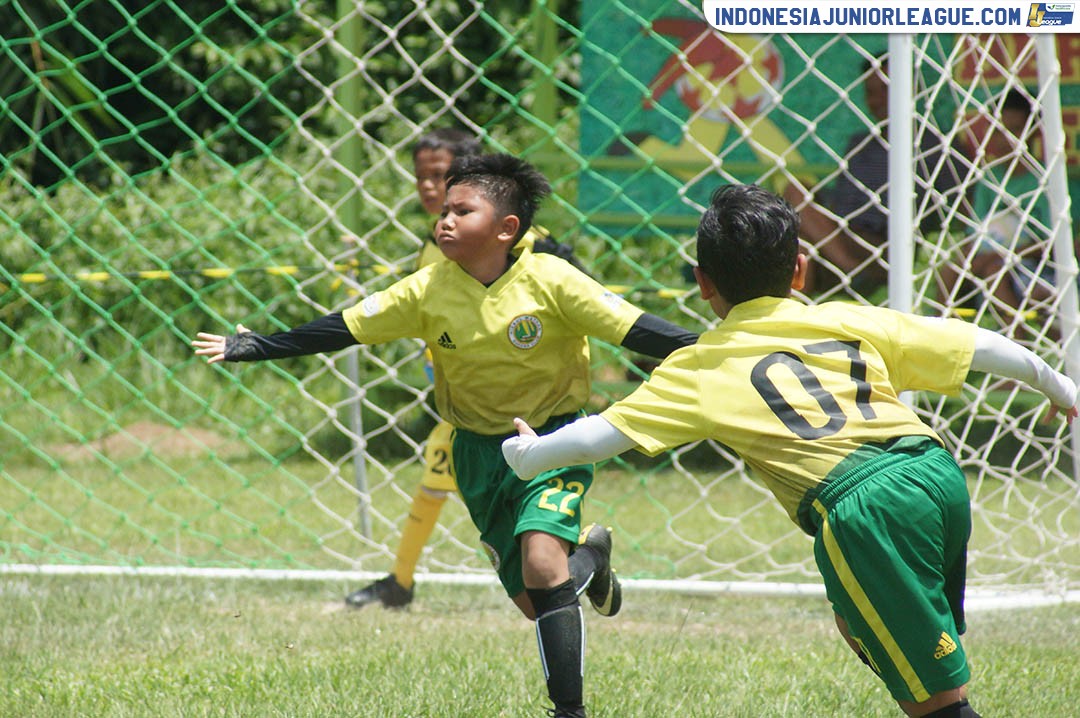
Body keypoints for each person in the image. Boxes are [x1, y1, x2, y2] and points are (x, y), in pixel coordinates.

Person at [502, 184, 1077, 718]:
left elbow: (601, 434)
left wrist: (531, 454)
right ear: (800, 269)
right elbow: (980, 343)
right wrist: (1058, 385)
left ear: (702, 282)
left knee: (938, 703)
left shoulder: (702, 364)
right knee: (862, 622)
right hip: (935, 472)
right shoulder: (847, 317)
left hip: (863, 508)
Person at [193, 153, 698, 718]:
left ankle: (569, 711)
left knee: (543, 565)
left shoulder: (552, 279)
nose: (445, 220)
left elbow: (638, 329)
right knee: (538, 602)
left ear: (507, 228)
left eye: (463, 210)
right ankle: (593, 561)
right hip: (476, 453)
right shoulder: (428, 289)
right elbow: (346, 326)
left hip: (553, 440)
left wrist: (714, 350)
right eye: (444, 210)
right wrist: (259, 344)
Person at [347, 128, 588, 610]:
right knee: (436, 484)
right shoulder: (434, 247)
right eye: (421, 177)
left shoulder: (524, 245)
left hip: (521, 406)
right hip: (465, 398)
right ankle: (403, 579)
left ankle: (404, 580)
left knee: (443, 484)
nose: (428, 187)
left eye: (440, 176)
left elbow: (566, 289)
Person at [785, 53, 965, 298]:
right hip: (841, 236)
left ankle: (852, 268)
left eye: (885, 89)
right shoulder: (861, 143)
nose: (878, 99)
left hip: (887, 244)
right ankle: (842, 274)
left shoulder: (936, 147)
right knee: (797, 214)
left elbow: (957, 209)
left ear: (910, 90)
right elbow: (840, 200)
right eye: (871, 92)